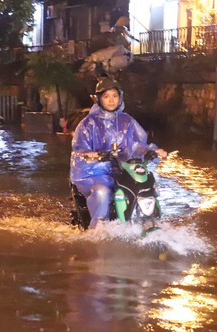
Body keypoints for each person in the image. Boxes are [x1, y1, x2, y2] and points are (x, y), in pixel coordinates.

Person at [70, 77, 167, 229]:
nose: (111, 100)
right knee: (102, 192)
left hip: (122, 171)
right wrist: (93, 155)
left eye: (114, 96)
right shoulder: (88, 123)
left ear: (120, 97)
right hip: (93, 173)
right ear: (99, 99)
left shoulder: (127, 121)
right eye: (106, 96)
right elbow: (79, 149)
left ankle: (147, 223)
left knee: (145, 187)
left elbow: (137, 145)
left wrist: (153, 151)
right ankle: (98, 230)